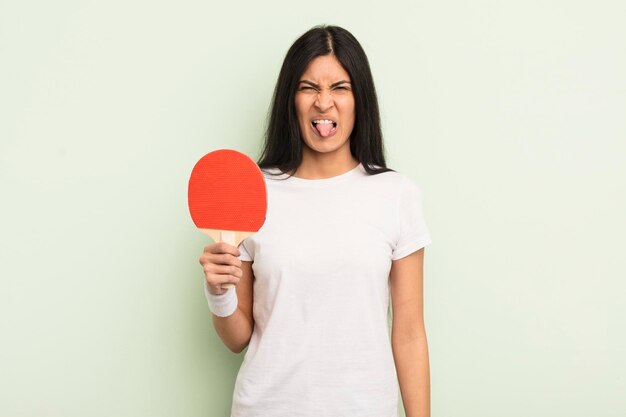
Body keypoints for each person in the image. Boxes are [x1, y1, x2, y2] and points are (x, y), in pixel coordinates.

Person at [199, 24, 432, 417]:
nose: (324, 102)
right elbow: (237, 338)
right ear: (291, 99)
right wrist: (217, 292)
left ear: (360, 99)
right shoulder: (252, 192)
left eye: (340, 87)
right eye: (309, 87)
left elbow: (409, 334)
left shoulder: (396, 195)